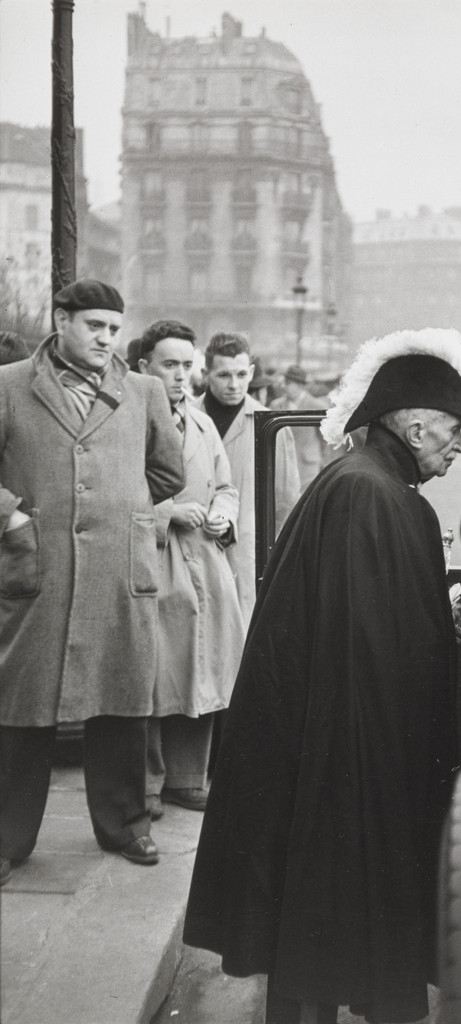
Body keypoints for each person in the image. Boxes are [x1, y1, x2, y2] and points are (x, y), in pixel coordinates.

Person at [183, 327, 461, 1023]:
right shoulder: (375, 495)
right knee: (338, 913)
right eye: (454, 430)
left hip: (330, 738)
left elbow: (380, 621)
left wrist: (445, 611)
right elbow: (379, 645)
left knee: (314, 933)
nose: (459, 446)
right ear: (415, 422)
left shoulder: (365, 482)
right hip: (351, 752)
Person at [0, 279, 184, 886]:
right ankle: (7, 840)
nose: (107, 338)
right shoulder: (9, 386)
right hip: (36, 566)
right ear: (61, 320)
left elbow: (166, 471)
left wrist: (120, 509)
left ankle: (127, 825)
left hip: (116, 568)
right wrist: (13, 514)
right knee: (21, 704)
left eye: (114, 328)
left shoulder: (143, 390)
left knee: (123, 699)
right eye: (94, 326)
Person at [137, 320, 245, 817]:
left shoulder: (200, 423)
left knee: (205, 665)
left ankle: (187, 777)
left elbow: (225, 484)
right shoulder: (129, 420)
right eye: (169, 365)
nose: (181, 376)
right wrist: (166, 513)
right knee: (157, 673)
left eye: (187, 365)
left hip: (205, 556)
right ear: (144, 368)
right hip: (155, 560)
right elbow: (114, 494)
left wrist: (225, 513)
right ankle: (148, 784)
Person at [197, 332, 300, 626]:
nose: (234, 384)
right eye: (224, 375)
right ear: (206, 375)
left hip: (248, 558)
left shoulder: (271, 425)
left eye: (241, 374)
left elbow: (286, 504)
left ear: (252, 373)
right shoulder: (184, 418)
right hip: (194, 550)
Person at [270, 364, 328, 490]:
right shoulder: (276, 405)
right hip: (283, 465)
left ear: (300, 385)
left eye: (288, 383)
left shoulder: (317, 406)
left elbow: (325, 439)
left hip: (308, 467)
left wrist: (321, 459)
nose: (284, 386)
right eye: (285, 382)